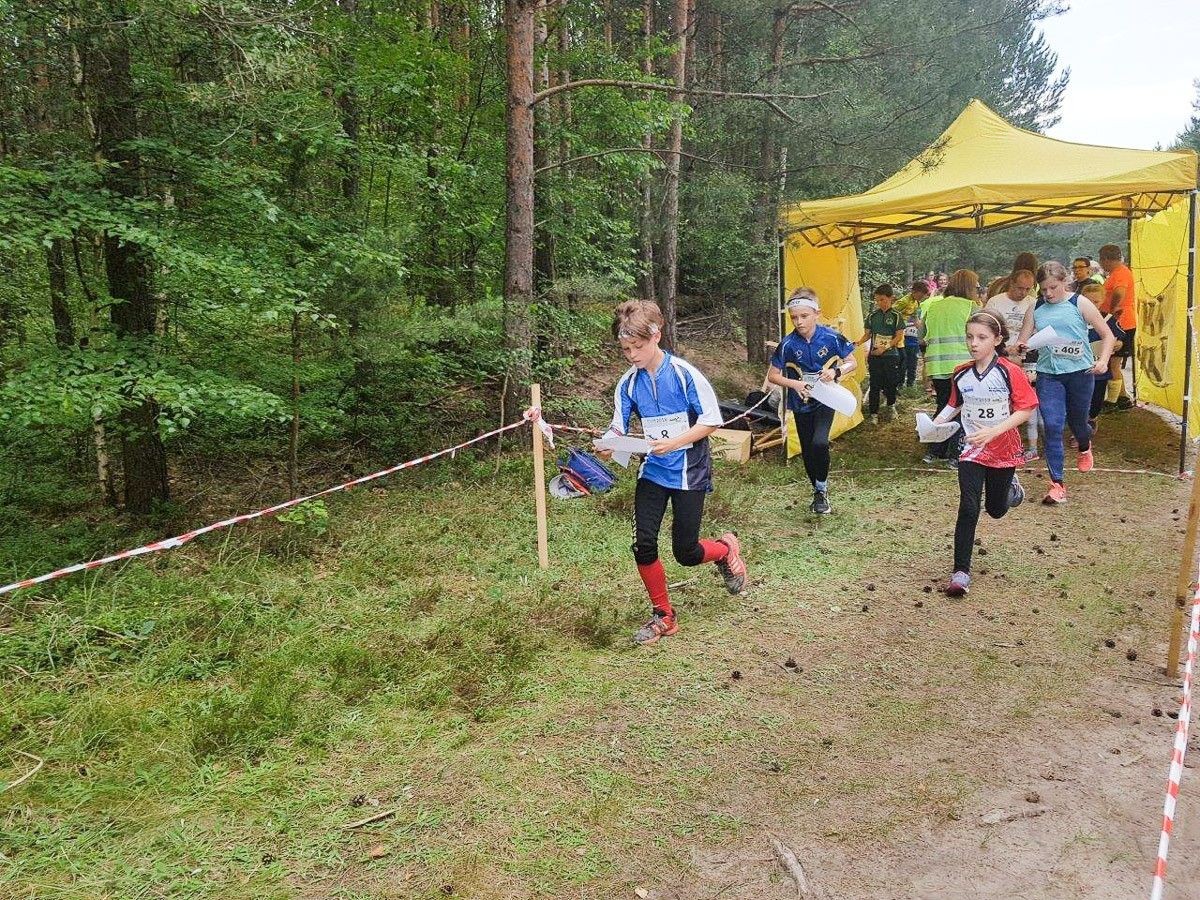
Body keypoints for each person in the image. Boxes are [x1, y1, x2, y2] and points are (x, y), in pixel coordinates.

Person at [596, 300, 748, 646]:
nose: (632, 355)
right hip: (652, 470)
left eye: (638, 346)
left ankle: (724, 550)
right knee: (643, 544)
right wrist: (608, 444)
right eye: (625, 349)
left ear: (657, 335)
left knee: (686, 552)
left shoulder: (684, 374)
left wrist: (675, 442)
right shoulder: (628, 384)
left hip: (688, 470)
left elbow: (711, 420)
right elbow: (618, 428)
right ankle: (664, 615)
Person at [931, 310, 1038, 597]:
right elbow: (954, 404)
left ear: (997, 339)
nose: (974, 343)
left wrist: (994, 431)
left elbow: (1026, 409)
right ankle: (960, 572)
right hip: (972, 448)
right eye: (970, 337)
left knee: (995, 509)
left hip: (1003, 447)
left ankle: (1010, 491)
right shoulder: (961, 372)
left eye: (981, 337)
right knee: (968, 507)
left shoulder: (1009, 371)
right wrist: (934, 424)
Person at [1017, 261, 1115, 504]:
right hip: (1049, 375)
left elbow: (1107, 335)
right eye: (1044, 289)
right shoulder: (1035, 307)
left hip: (1080, 373)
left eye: (1053, 287)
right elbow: (1022, 340)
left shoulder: (1079, 303)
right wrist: (1019, 346)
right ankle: (1056, 485)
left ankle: (1084, 444)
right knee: (1051, 425)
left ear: (1065, 282)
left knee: (1078, 422)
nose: (1048, 293)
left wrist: (1102, 360)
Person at [767, 288, 859, 515]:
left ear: (817, 313)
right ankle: (817, 490)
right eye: (794, 317)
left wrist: (836, 371)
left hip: (825, 398)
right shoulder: (788, 344)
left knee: (819, 442)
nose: (799, 322)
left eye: (804, 316)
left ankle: (822, 486)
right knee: (808, 449)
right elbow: (773, 375)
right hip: (801, 401)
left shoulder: (831, 337)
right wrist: (796, 385)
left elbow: (852, 361)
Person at [919, 269, 977, 465]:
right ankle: (956, 454)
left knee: (944, 405)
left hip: (937, 365)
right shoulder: (971, 307)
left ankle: (934, 450)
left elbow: (922, 336)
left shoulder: (934, 307)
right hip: (962, 366)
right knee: (961, 409)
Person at [985, 269, 1040, 461]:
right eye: (1019, 288)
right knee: (1004, 401)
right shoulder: (996, 302)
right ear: (1010, 283)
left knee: (1025, 400)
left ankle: (1030, 444)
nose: (1023, 293)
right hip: (1002, 355)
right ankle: (1003, 442)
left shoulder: (1033, 303)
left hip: (1027, 357)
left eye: (1028, 289)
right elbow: (988, 329)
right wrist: (1005, 352)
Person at [1080, 282, 1126, 438]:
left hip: (1099, 370)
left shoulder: (1108, 319)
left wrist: (1118, 344)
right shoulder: (1075, 319)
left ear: (1103, 301)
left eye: (1096, 302)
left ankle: (1092, 418)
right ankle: (1080, 428)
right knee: (1079, 398)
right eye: (1088, 302)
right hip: (1078, 370)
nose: (1092, 305)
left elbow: (1119, 338)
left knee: (1096, 398)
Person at [859, 284, 905, 423]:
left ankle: (891, 405)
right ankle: (873, 413)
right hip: (875, 356)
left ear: (891, 298)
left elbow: (898, 337)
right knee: (874, 384)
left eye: (883, 299)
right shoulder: (872, 316)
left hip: (891, 355)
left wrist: (884, 348)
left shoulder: (896, 316)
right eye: (877, 300)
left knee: (891, 383)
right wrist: (858, 342)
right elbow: (867, 334)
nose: (880, 303)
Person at [1099, 244, 1137, 409]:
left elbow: (1119, 292)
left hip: (1122, 323)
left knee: (1113, 362)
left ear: (1106, 259)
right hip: (1120, 321)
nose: (1101, 265)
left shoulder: (1121, 273)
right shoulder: (1117, 272)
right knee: (1112, 362)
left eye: (1102, 261)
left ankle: (1113, 401)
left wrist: (1113, 309)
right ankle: (1123, 397)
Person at [894, 281, 930, 389]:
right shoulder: (904, 301)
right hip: (901, 333)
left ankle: (910, 383)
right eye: (921, 294)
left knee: (913, 359)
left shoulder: (916, 302)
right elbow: (892, 313)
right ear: (915, 292)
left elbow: (915, 316)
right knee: (903, 359)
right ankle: (899, 383)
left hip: (912, 334)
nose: (922, 297)